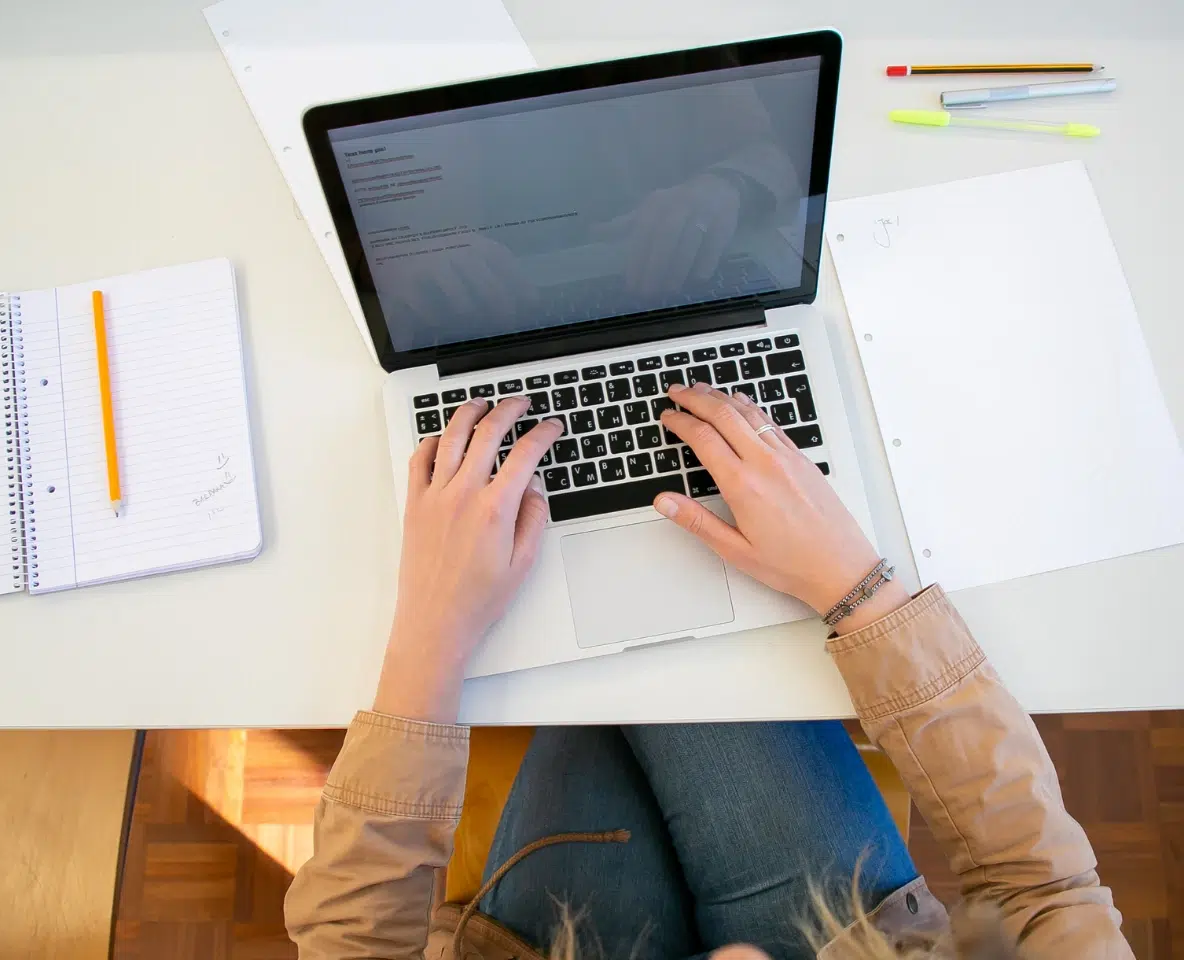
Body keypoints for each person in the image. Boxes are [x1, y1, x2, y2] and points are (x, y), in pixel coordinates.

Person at [284, 382, 1131, 960]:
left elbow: (347, 942)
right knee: (673, 667)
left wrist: (430, 632)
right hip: (856, 939)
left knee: (615, 688)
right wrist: (859, 590)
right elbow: (1046, 886)